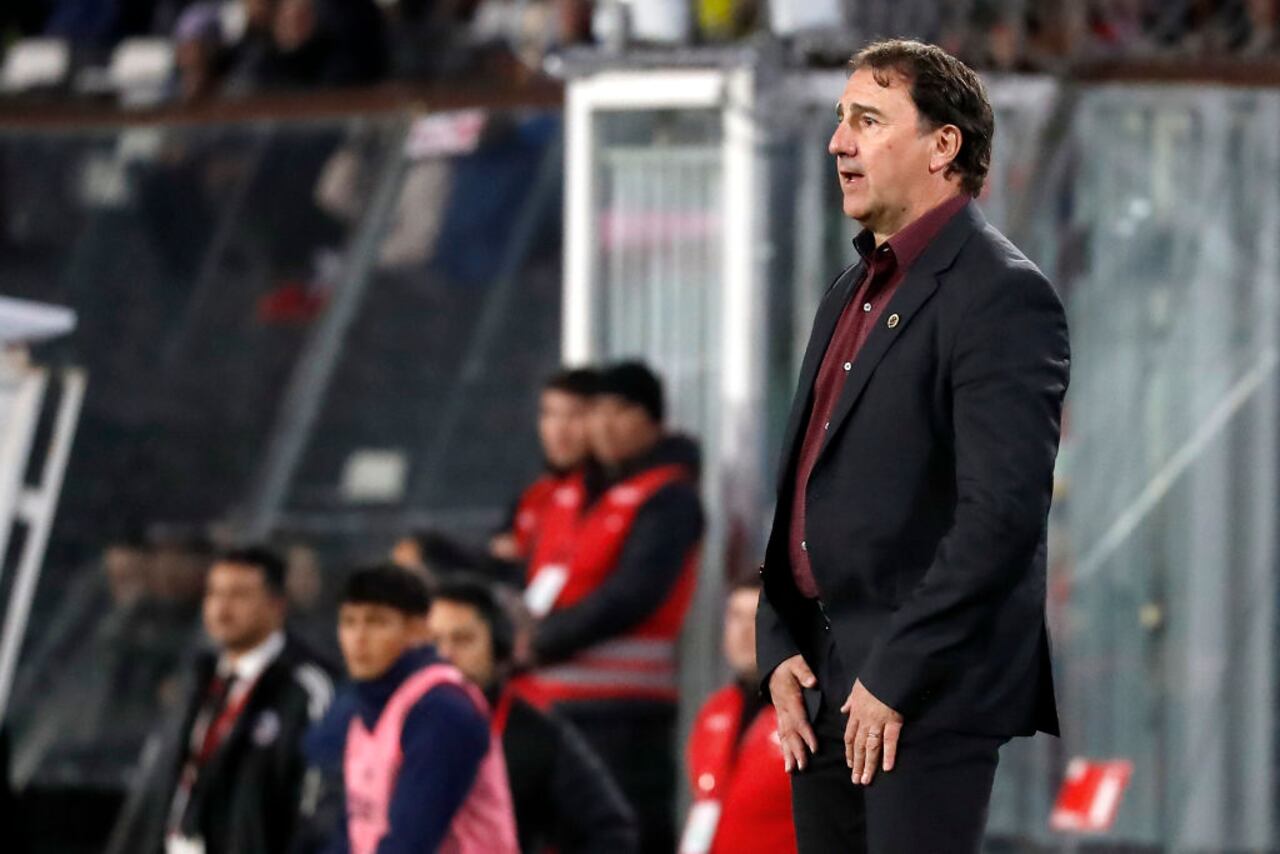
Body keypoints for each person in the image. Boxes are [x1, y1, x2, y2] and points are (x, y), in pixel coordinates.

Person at [755, 39, 1070, 853]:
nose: (838, 142)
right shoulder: (850, 287)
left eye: (866, 120)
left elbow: (1000, 518)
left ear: (943, 146)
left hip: (921, 693)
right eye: (839, 120)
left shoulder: (1002, 295)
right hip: (823, 684)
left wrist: (895, 676)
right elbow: (803, 484)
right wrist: (777, 640)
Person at [522, 360, 704, 854]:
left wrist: (538, 642)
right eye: (595, 411)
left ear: (651, 420)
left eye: (617, 411)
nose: (601, 425)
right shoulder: (581, 493)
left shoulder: (668, 497)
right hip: (554, 703)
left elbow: (632, 594)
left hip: (623, 715)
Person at [124, 546, 335, 854]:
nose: (222, 609)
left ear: (276, 605)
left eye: (239, 596)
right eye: (214, 594)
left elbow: (318, 800)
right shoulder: (199, 679)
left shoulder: (305, 686)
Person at [427, 576, 639, 854]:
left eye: (463, 640)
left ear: (499, 648)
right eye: (434, 642)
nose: (445, 655)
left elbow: (611, 830)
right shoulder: (394, 721)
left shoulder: (538, 732)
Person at [332, 564, 518, 854]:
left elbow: (410, 842)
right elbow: (352, 832)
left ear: (418, 630)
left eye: (377, 622)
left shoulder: (443, 710)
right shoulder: (368, 706)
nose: (359, 638)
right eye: (348, 622)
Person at [681, 579, 795, 854]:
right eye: (735, 617)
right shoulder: (715, 711)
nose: (743, 632)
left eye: (756, 618)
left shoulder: (808, 713)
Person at [489, 366, 600, 565]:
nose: (560, 428)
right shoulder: (535, 493)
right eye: (550, 414)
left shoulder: (603, 497)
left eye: (574, 415)